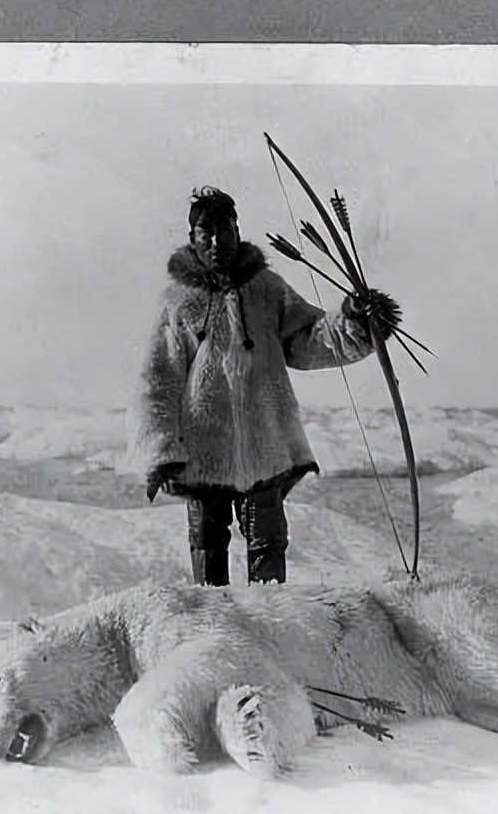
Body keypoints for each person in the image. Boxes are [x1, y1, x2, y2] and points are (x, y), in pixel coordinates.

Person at [128, 186, 401, 587]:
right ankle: (214, 630)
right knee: (207, 546)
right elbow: (158, 380)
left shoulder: (268, 289)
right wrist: (163, 452)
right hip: (204, 452)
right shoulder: (177, 301)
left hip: (266, 446)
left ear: (239, 230)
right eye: (207, 231)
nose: (218, 240)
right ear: (193, 238)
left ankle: (272, 628)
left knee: (269, 545)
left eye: (226, 229)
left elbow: (308, 340)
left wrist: (358, 322)